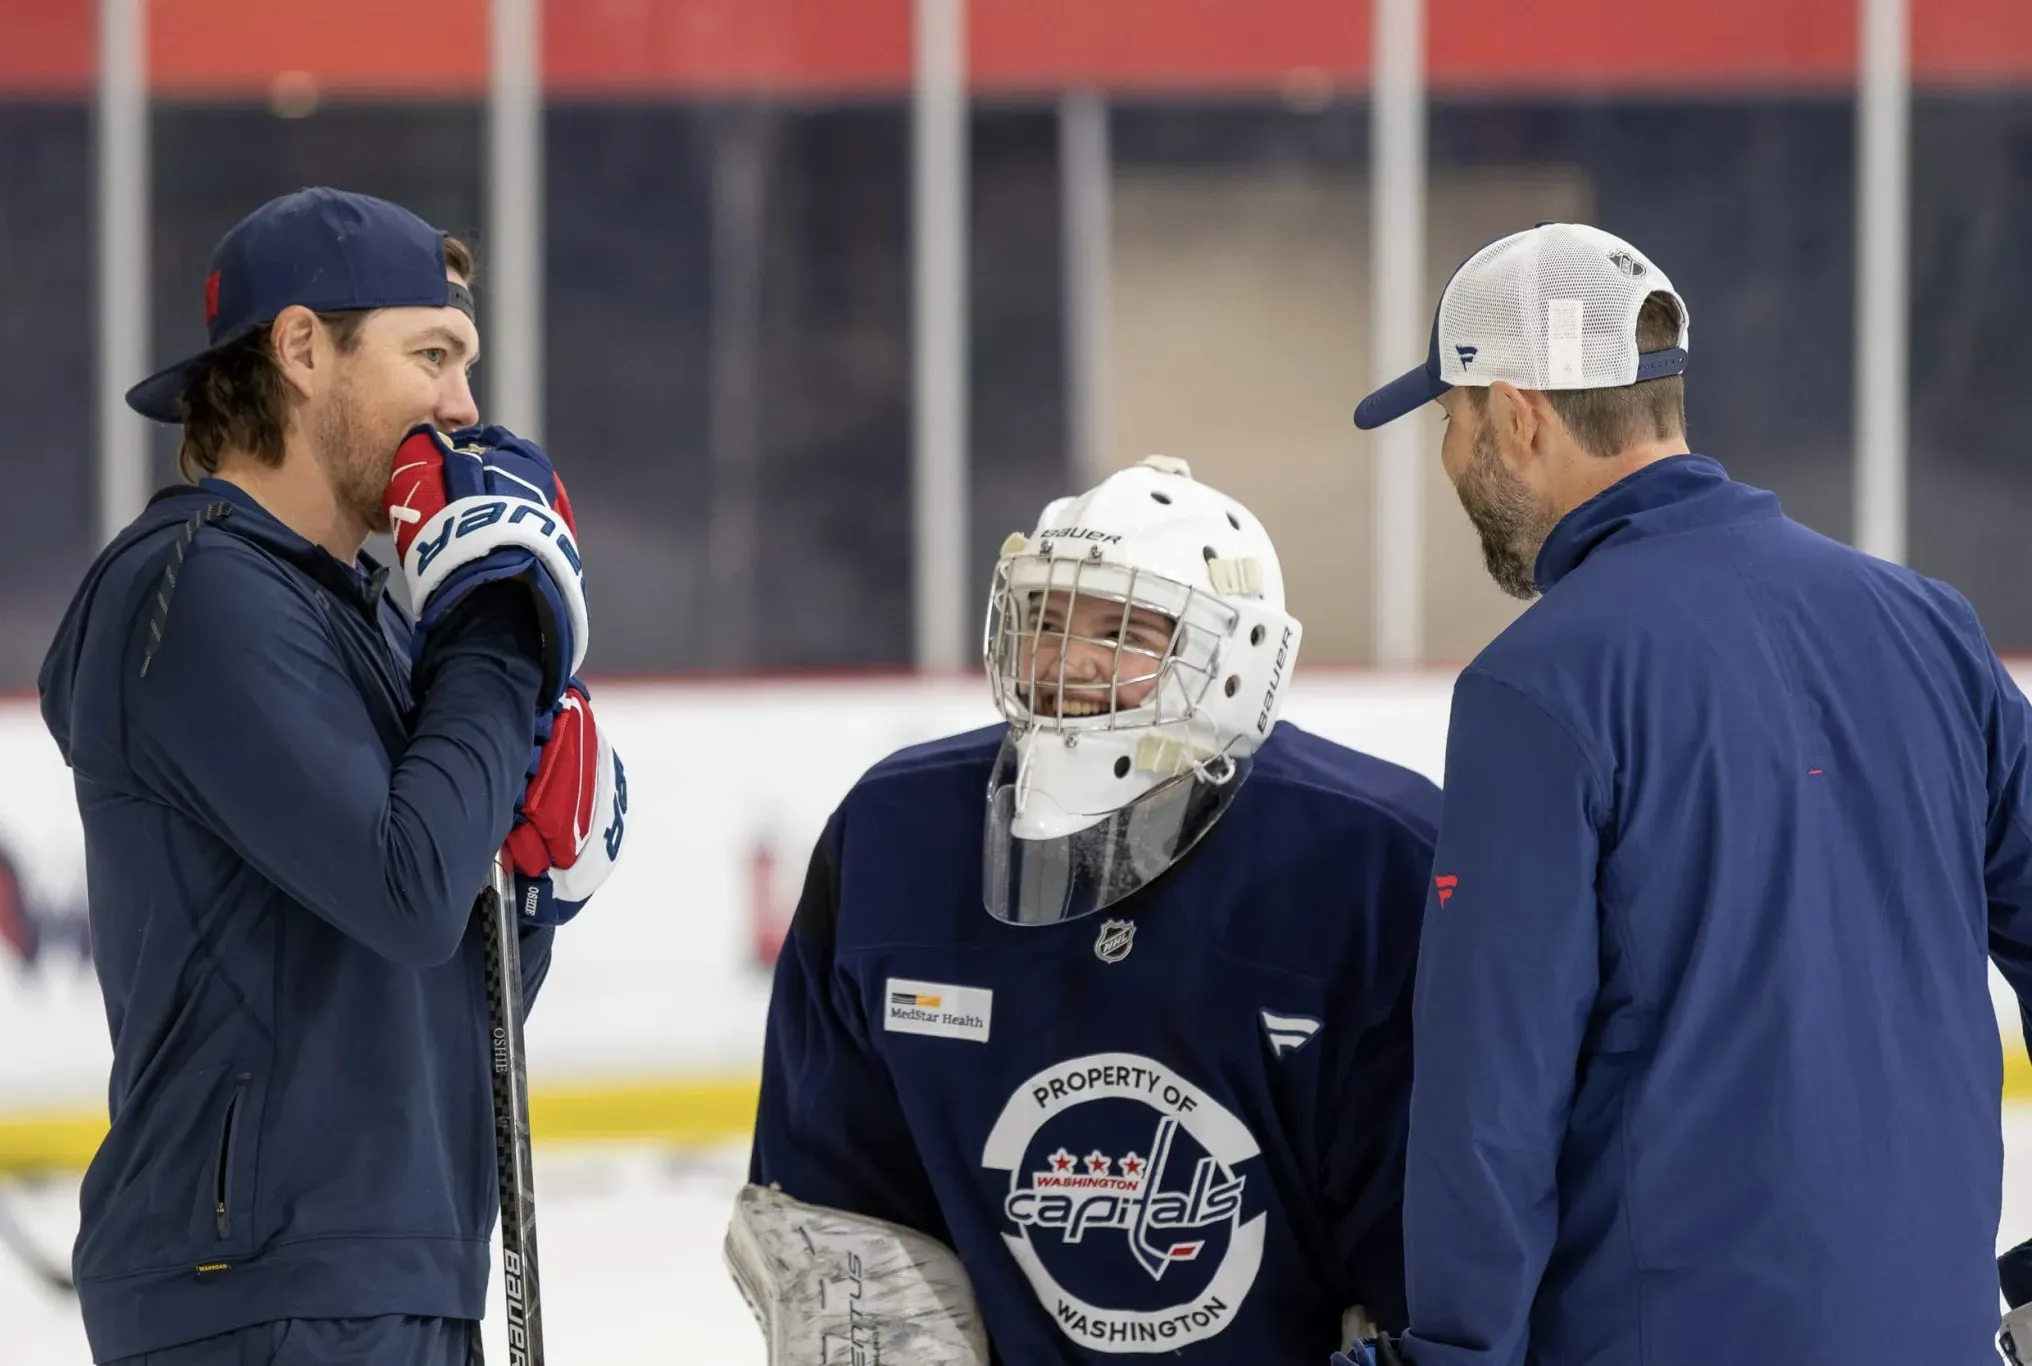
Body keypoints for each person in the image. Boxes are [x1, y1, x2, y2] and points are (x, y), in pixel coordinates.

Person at [1344, 220, 2032, 1366]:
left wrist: (1455, 1354)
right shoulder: (1929, 628)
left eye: (1451, 424)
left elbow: (1490, 1104)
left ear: (1517, 416)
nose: (1452, 461)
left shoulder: (1537, 687)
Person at [37, 186, 627, 1365]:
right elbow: (404, 890)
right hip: (260, 1289)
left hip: (388, 1263)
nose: (464, 407)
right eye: (433, 354)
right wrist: (499, 628)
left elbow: (436, 970)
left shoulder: (358, 612)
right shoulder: (197, 589)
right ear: (303, 347)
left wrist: (532, 889)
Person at [734, 456, 1441, 1362]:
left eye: (1127, 633)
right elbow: (845, 1223)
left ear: (1240, 661)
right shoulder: (892, 836)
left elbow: (1431, 1260)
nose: (1068, 664)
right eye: (1044, 619)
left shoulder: (1375, 860)